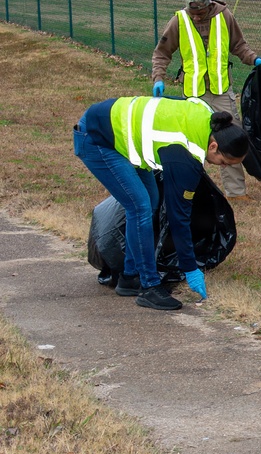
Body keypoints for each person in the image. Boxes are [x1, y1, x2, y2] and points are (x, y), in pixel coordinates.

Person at [73, 96, 250, 310]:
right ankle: (149, 287)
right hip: (97, 137)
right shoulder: (185, 155)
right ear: (213, 146)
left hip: (122, 133)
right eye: (223, 162)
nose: (221, 167)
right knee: (139, 207)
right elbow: (178, 217)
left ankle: (129, 278)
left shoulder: (207, 114)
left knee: (151, 200)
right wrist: (190, 267)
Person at [151, 0, 261, 198]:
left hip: (221, 90)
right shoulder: (178, 21)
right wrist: (158, 78)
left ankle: (236, 192)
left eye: (199, 13)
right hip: (194, 93)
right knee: (190, 141)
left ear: (208, 7)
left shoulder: (224, 16)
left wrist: (254, 59)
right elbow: (162, 53)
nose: (196, 17)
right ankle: (191, 190)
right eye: (192, 13)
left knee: (231, 137)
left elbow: (239, 45)